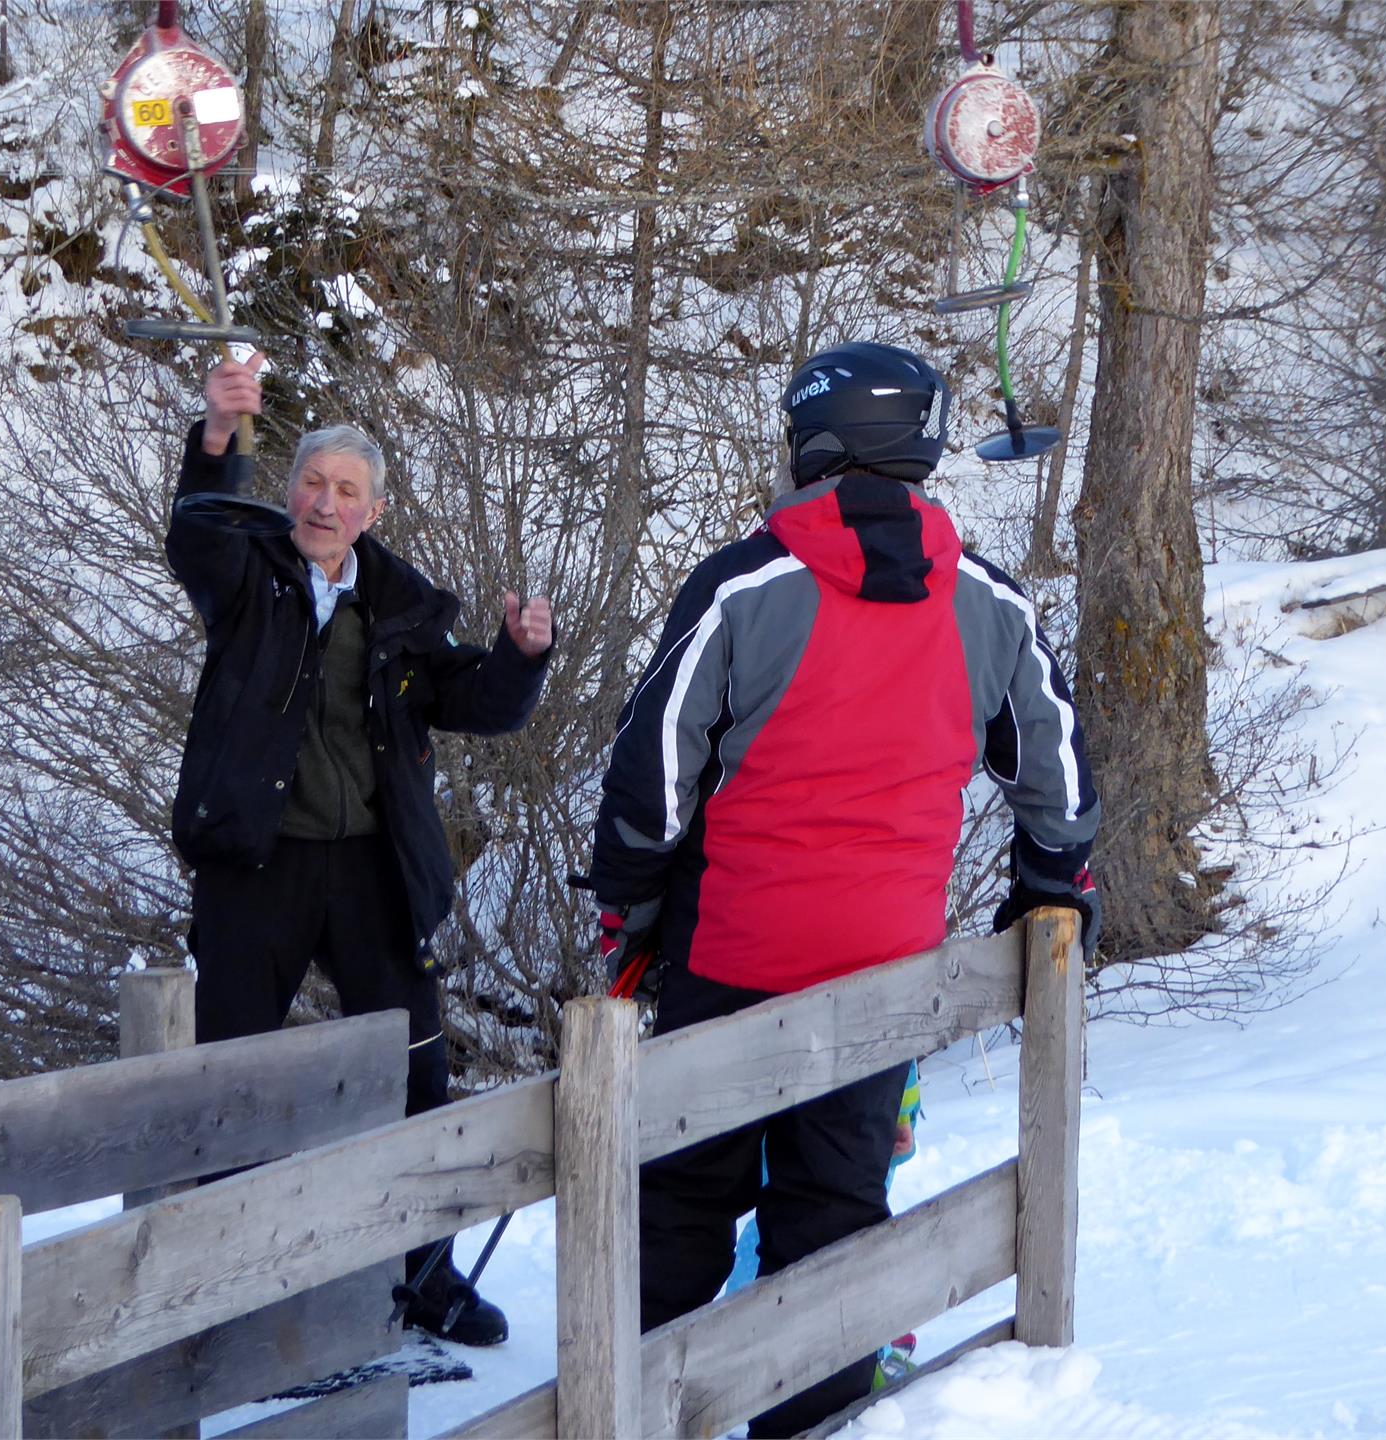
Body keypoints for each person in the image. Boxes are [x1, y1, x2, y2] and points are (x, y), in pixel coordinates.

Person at [586, 340, 1100, 1436]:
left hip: (732, 956)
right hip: (886, 975)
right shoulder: (987, 601)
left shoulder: (747, 583)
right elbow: (1053, 767)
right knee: (833, 1209)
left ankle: (638, 1411)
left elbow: (652, 774)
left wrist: (628, 916)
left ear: (816, 442)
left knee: (681, 1199)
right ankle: (809, 1416)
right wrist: (1052, 887)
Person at [166, 353, 553, 1346]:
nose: (325, 501)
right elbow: (195, 532)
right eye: (310, 481)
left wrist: (520, 655)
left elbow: (481, 706)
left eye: (346, 490)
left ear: (373, 512)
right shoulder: (247, 578)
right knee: (234, 1082)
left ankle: (425, 1279)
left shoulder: (401, 610)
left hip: (372, 870)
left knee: (415, 1072)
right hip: (256, 865)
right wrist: (218, 438)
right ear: (288, 492)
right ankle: (232, 1296)